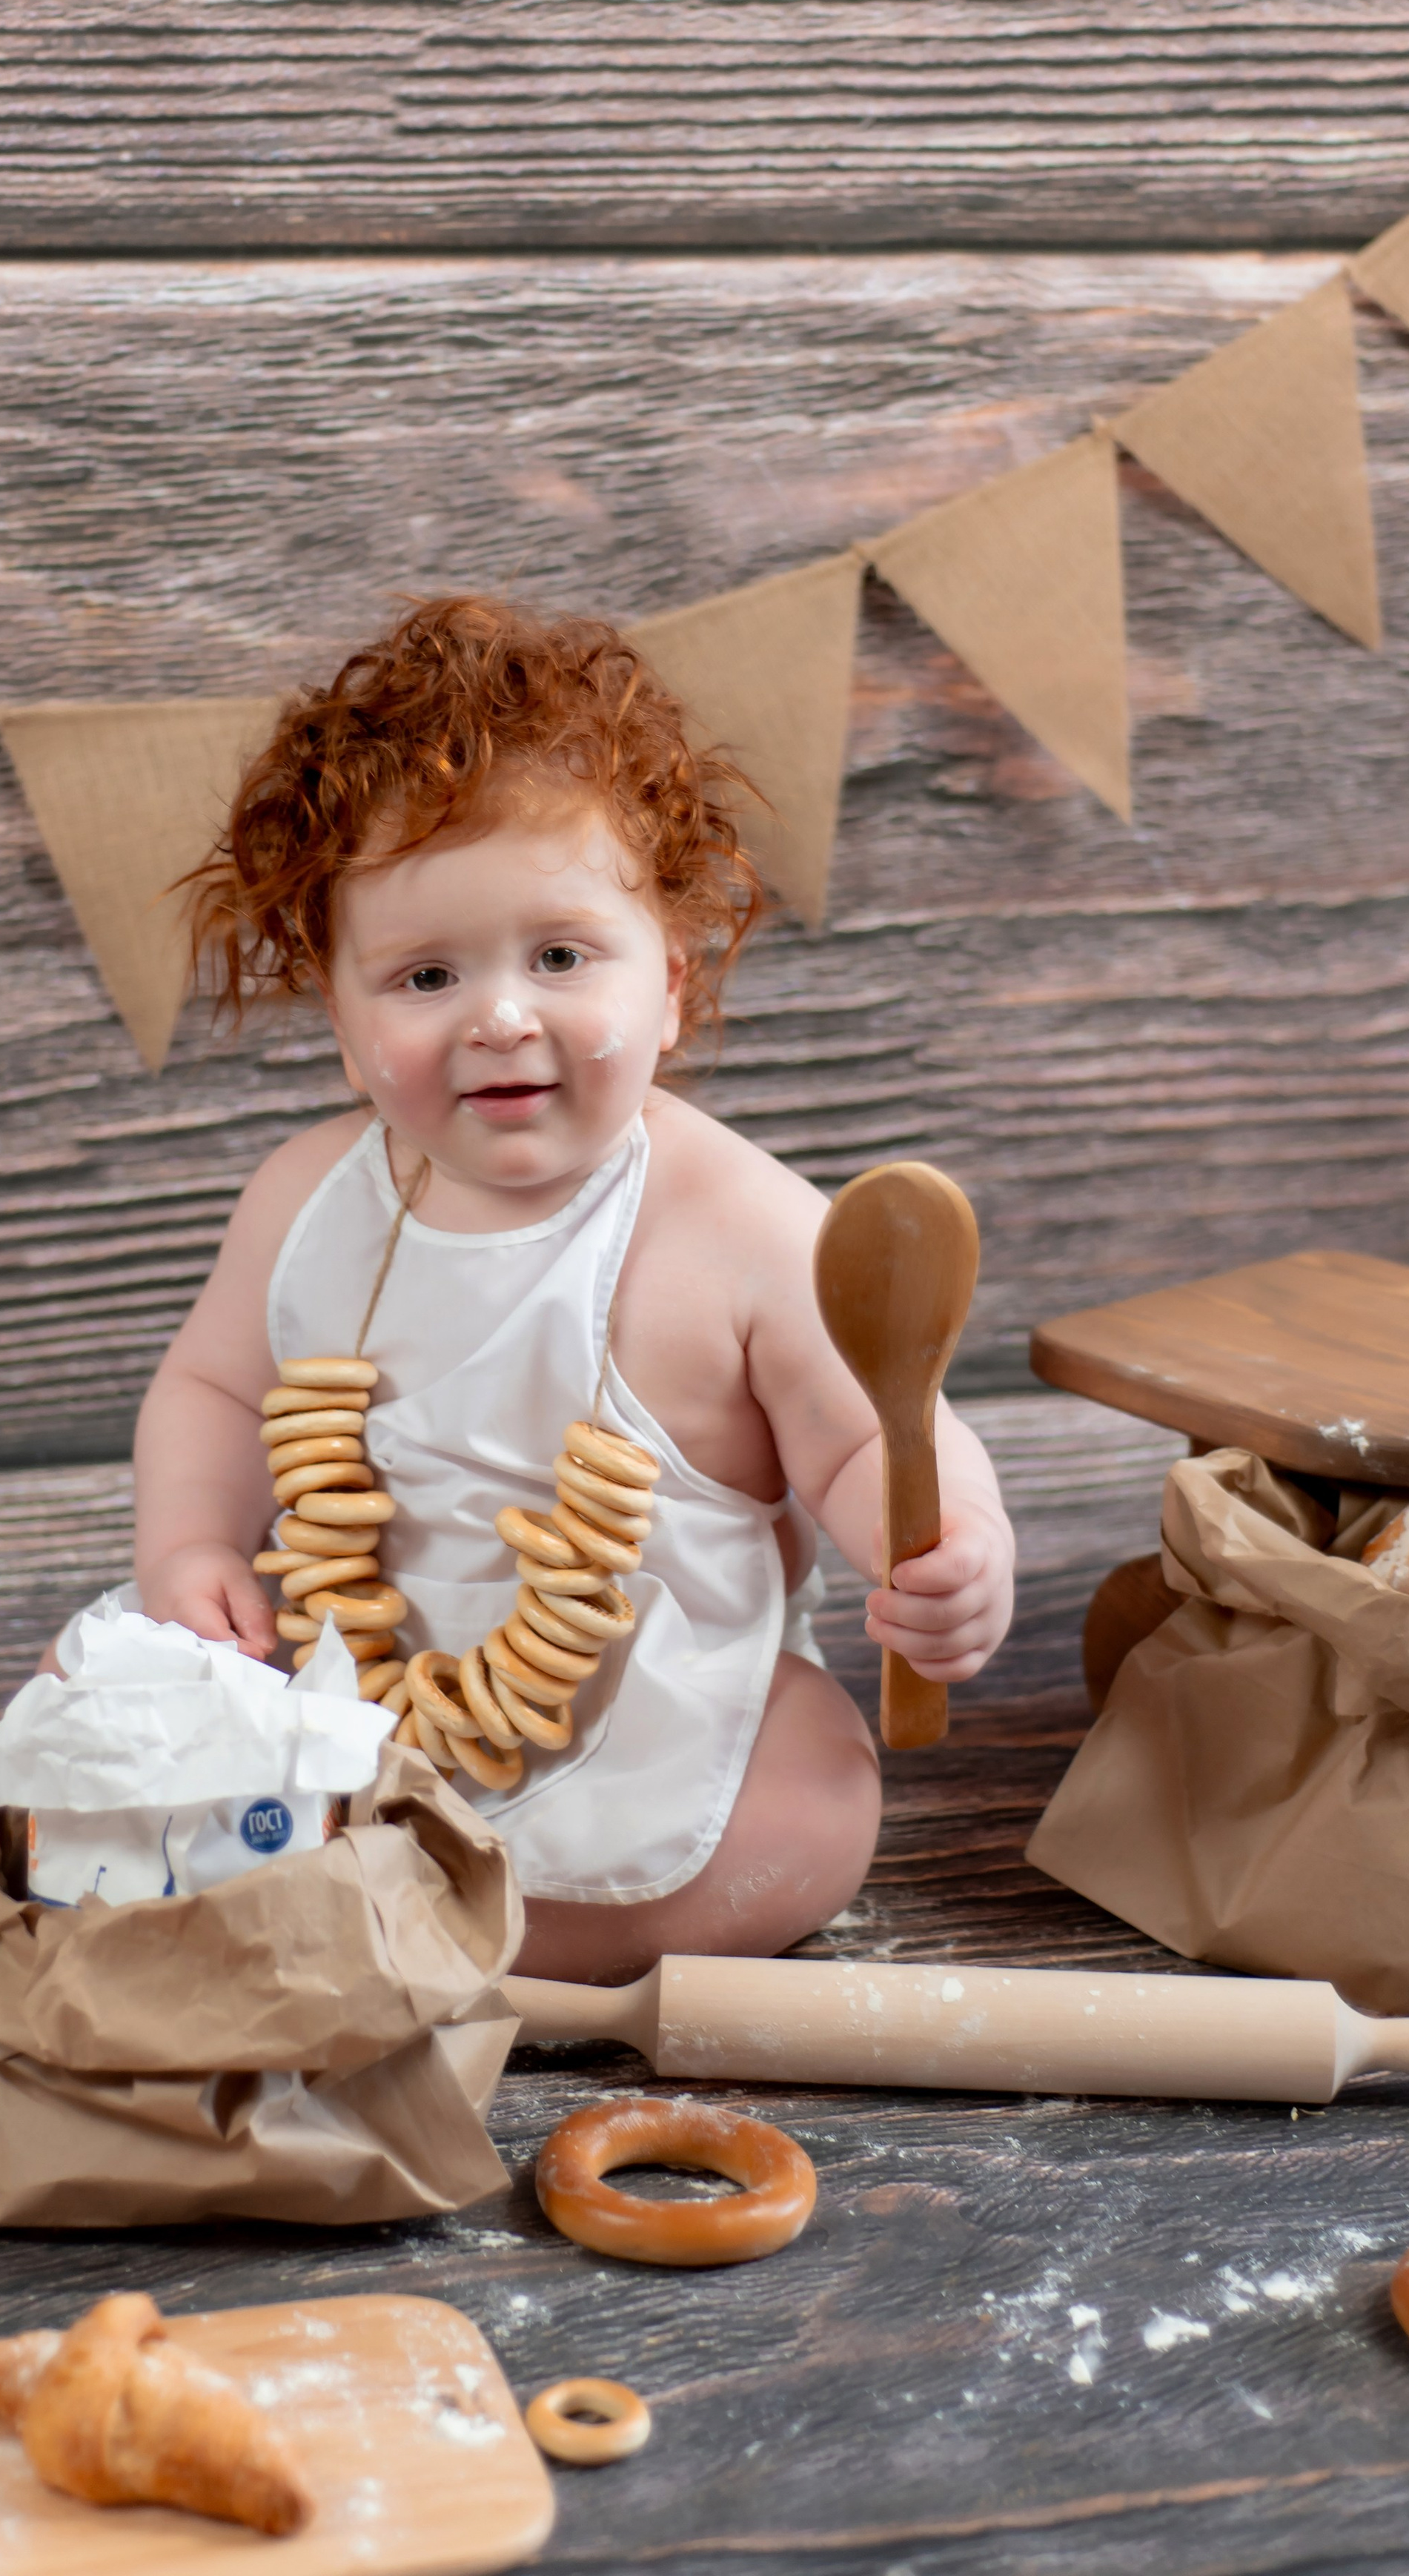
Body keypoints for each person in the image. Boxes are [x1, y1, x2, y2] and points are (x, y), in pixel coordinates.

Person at [136, 594, 1015, 1982]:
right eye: (426, 975)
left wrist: (946, 1544)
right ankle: (361, 1877)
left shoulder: (744, 1225)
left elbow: (870, 1432)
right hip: (352, 1679)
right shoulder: (306, 1203)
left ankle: (456, 1927)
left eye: (559, 955)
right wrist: (189, 1552)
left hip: (642, 1703)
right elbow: (210, 1387)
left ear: (668, 982)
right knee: (108, 1707)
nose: (499, 1016)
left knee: (818, 1791)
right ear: (348, 1026)